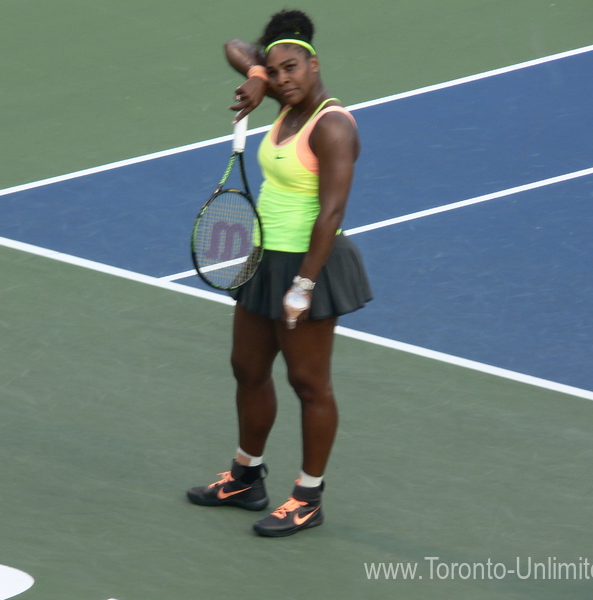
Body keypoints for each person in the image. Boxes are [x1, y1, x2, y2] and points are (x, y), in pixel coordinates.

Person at [187, 9, 372, 537]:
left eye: (293, 67)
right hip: (263, 258)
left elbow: (332, 213)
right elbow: (233, 45)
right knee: (246, 367)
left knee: (309, 384)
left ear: (314, 65)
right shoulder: (283, 100)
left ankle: (308, 497)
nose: (284, 78)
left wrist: (304, 286)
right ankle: (246, 477)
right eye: (277, 70)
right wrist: (257, 76)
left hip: (309, 263)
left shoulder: (331, 125)